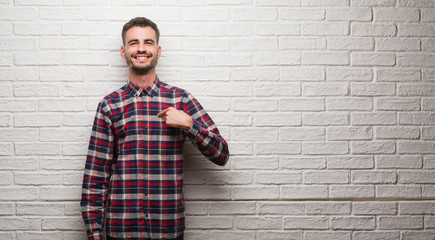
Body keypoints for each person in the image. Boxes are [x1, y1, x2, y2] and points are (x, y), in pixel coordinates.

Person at [80, 17, 229, 240]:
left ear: (158, 50)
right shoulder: (109, 105)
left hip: (168, 230)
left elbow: (222, 155)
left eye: (148, 42)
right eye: (134, 43)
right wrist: (94, 232)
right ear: (123, 51)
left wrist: (190, 125)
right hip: (120, 231)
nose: (141, 48)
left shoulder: (181, 100)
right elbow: (96, 176)